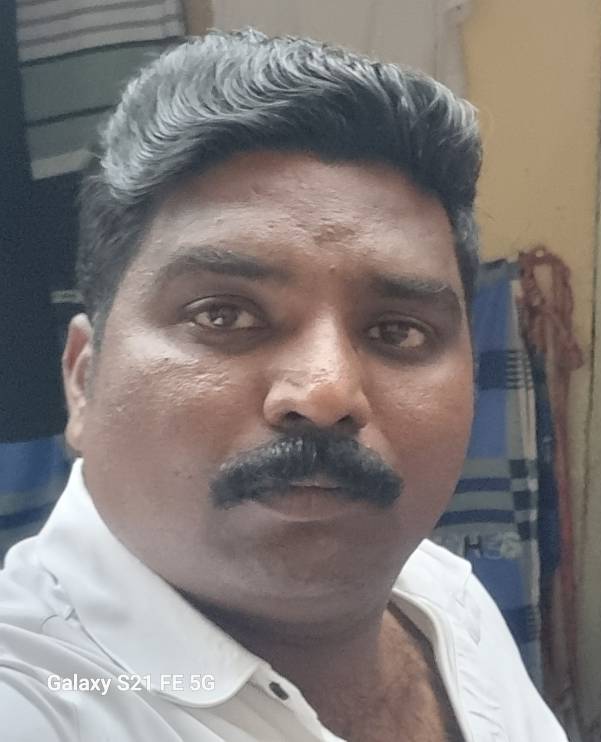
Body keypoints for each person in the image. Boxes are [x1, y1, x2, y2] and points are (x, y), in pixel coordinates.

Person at [0, 31, 568, 741]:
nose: (326, 393)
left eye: (398, 331)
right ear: (84, 378)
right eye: (223, 315)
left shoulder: (450, 600)